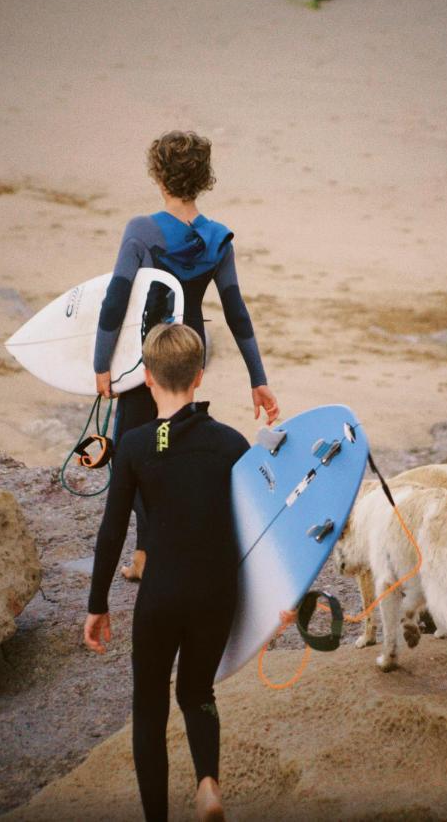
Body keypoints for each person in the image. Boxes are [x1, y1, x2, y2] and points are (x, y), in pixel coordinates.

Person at [94, 130, 278, 580]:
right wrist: (258, 378)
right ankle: (152, 549)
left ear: (159, 176)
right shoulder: (218, 238)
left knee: (133, 449)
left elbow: (116, 301)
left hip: (148, 357)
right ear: (203, 177)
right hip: (189, 354)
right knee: (167, 439)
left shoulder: (141, 230)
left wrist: (101, 362)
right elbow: (237, 314)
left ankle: (148, 552)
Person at [84, 323, 249, 821]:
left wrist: (97, 605)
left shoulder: (134, 445)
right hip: (215, 595)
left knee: (150, 707)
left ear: (149, 378)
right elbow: (259, 530)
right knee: (197, 691)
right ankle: (207, 783)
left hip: (162, 595)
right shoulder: (232, 444)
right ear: (199, 377)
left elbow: (112, 532)